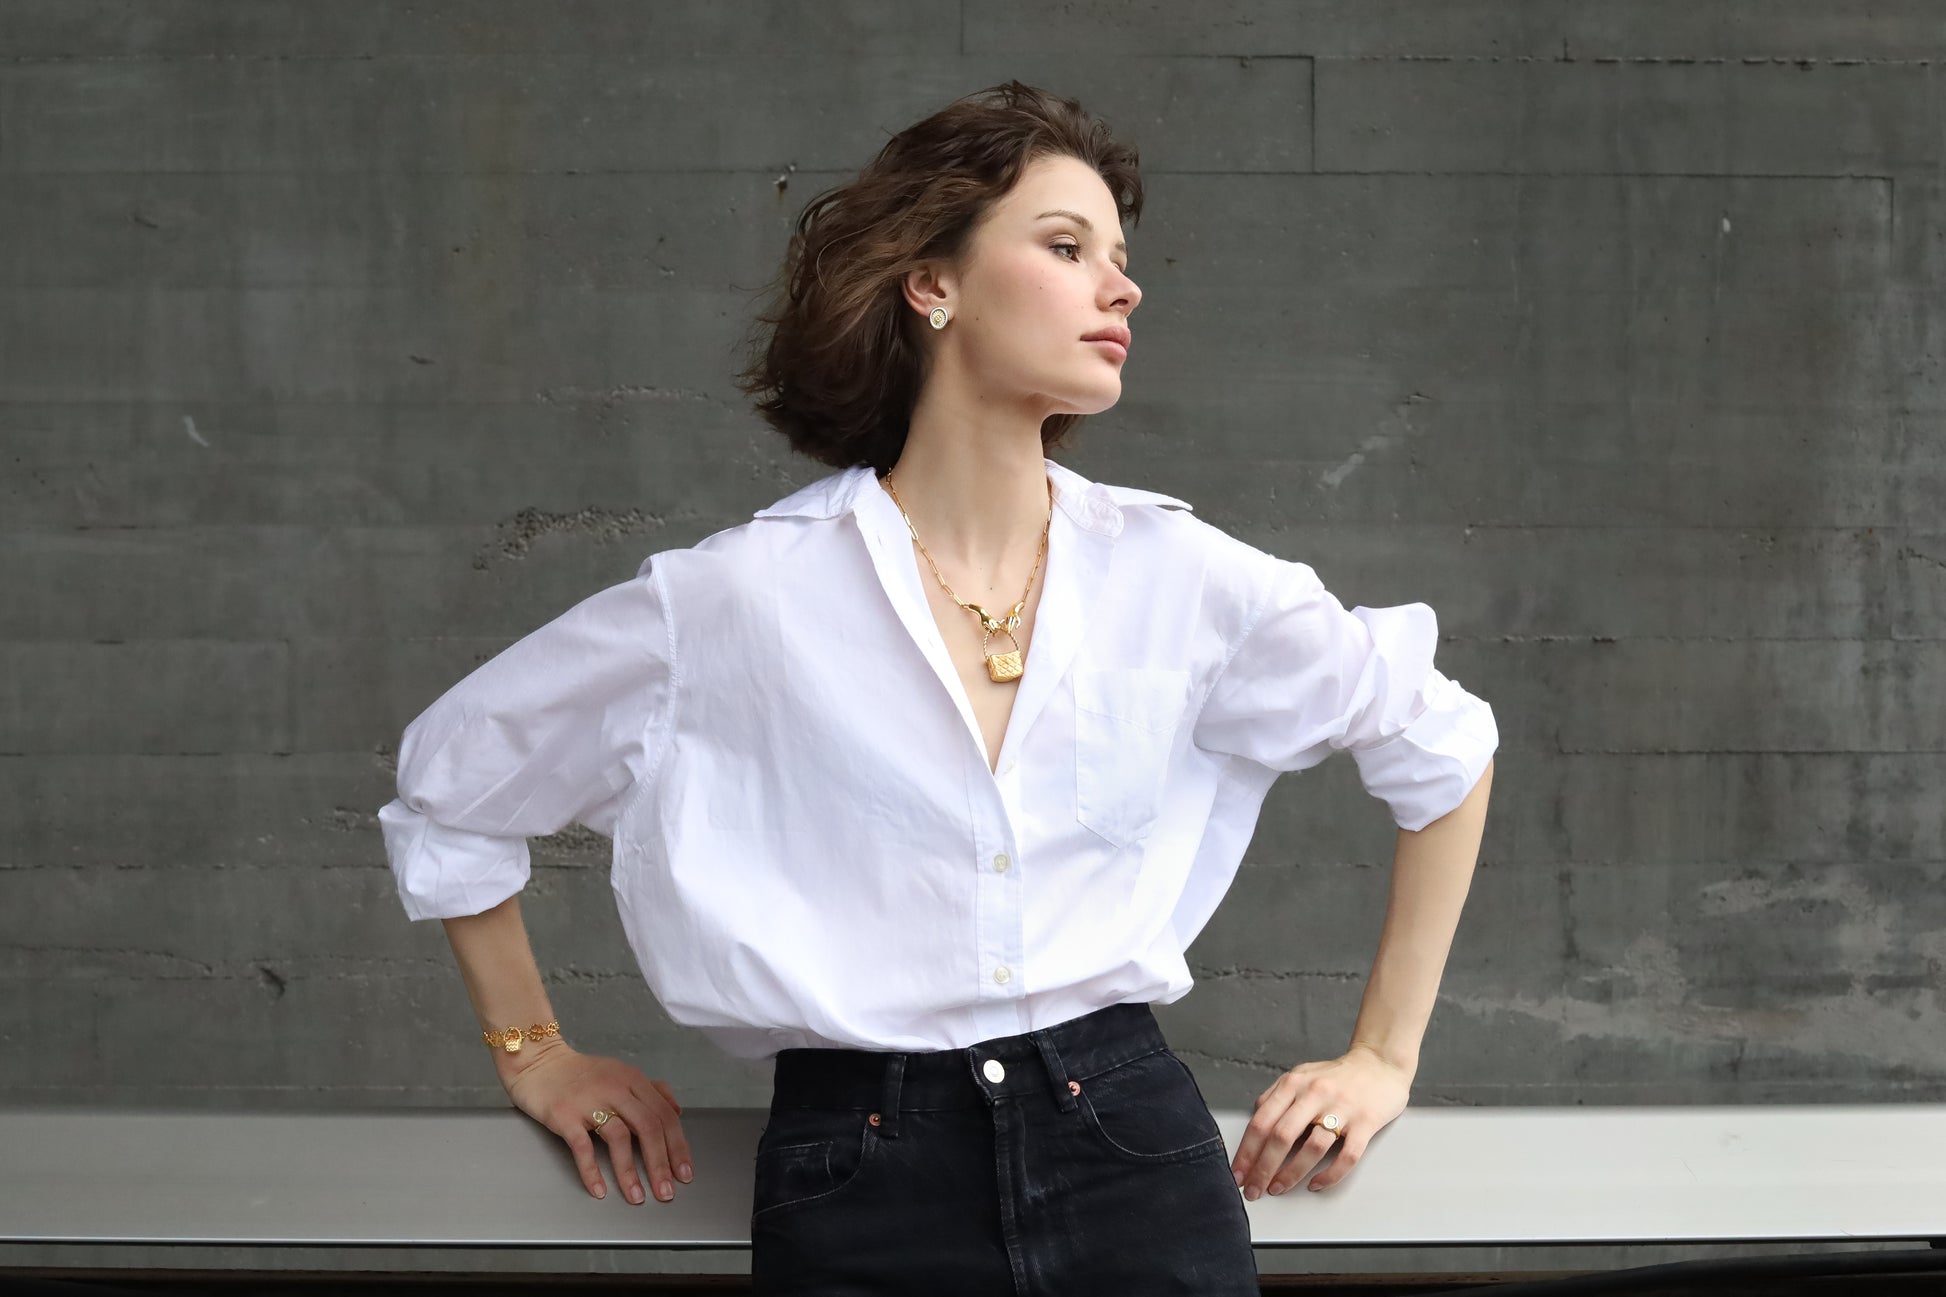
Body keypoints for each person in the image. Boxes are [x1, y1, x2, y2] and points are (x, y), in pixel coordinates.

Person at [377, 80, 1497, 1294]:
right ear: (934, 283)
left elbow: (1438, 742)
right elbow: (456, 789)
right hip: (857, 1171)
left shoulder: (1182, 576)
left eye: (1119, 260)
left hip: (1130, 1150)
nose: (1120, 287)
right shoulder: (734, 599)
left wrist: (1382, 1058)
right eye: (1066, 248)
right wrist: (533, 1050)